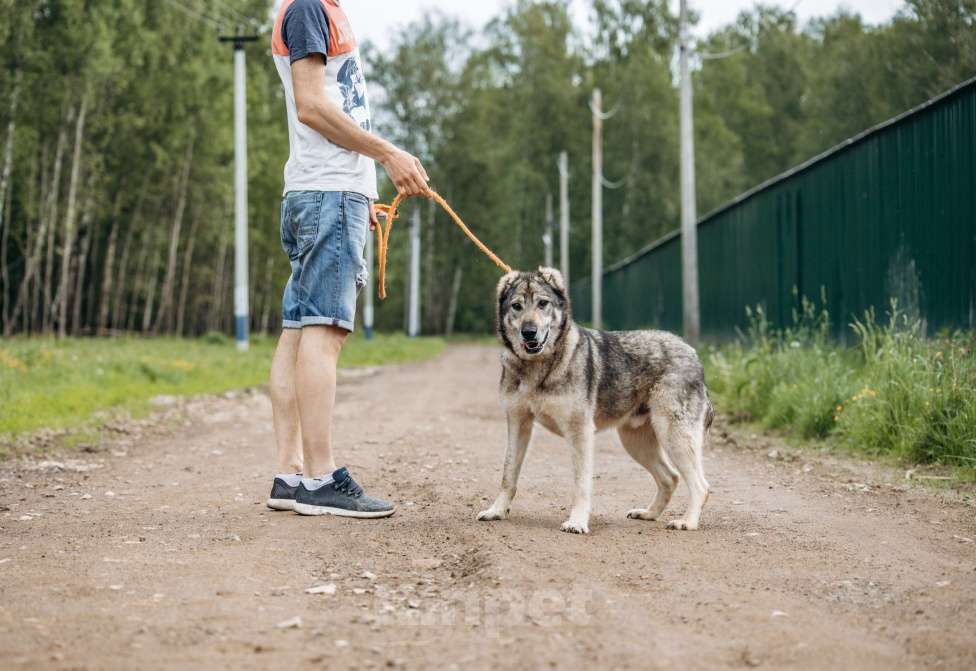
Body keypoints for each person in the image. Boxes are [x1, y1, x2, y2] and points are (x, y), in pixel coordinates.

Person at [265, 0, 430, 518]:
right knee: (323, 332)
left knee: (298, 330)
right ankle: (320, 479)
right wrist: (387, 154)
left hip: (327, 194)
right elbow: (311, 106)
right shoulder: (309, 8)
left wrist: (360, 198)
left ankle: (290, 475)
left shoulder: (317, 9)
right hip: (328, 193)